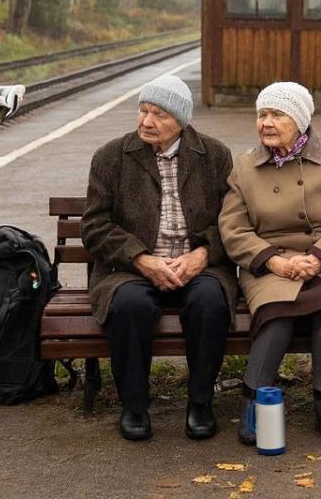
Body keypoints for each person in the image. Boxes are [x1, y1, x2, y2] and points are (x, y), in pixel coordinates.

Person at [80, 75, 236, 441]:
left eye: (159, 114)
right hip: (131, 269)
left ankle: (200, 404)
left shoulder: (214, 155)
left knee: (209, 301)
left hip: (198, 265)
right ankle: (134, 406)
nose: (147, 122)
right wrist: (140, 258)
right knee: (131, 304)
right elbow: (95, 226)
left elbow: (233, 220)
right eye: (143, 110)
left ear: (181, 120)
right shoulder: (110, 157)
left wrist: (203, 253)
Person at [219, 82, 321, 447]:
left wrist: (318, 258)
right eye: (262, 115)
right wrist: (273, 262)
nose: (266, 123)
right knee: (278, 309)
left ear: (300, 121)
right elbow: (233, 227)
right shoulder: (245, 167)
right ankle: (253, 400)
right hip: (271, 264)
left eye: (276, 115)